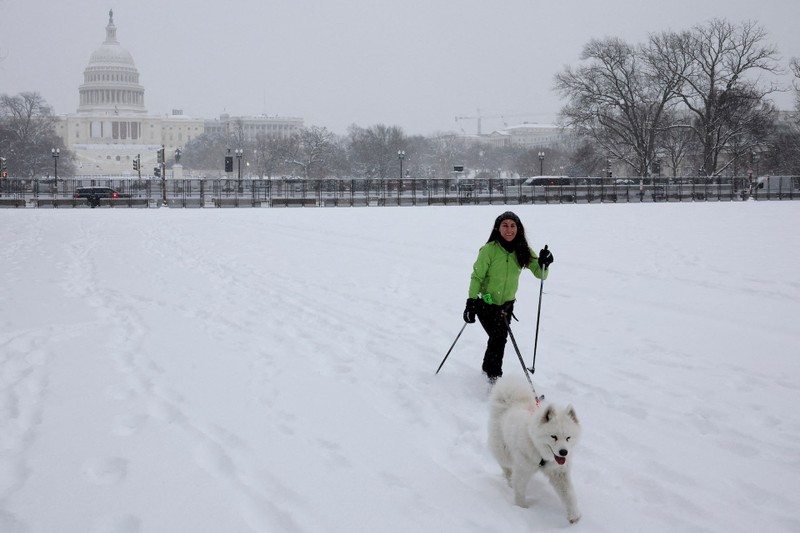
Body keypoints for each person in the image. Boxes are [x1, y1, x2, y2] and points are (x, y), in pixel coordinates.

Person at [463, 211, 553, 384]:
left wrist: (544, 263)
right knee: (498, 338)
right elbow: (477, 277)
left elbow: (540, 274)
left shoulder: (522, 250)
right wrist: (471, 302)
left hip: (506, 306)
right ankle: (494, 376)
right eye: (505, 225)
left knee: (497, 338)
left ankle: (487, 370)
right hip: (486, 302)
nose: (509, 229)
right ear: (498, 228)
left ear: (518, 229)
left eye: (513, 226)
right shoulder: (489, 250)